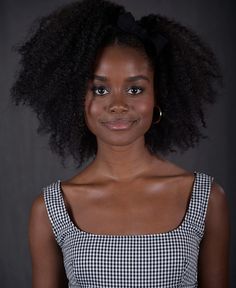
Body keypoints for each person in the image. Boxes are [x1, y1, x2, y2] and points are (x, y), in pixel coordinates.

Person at [11, 0, 230, 287]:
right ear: (76, 99)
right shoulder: (51, 209)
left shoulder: (205, 198)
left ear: (158, 96)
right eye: (100, 89)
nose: (117, 105)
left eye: (135, 89)